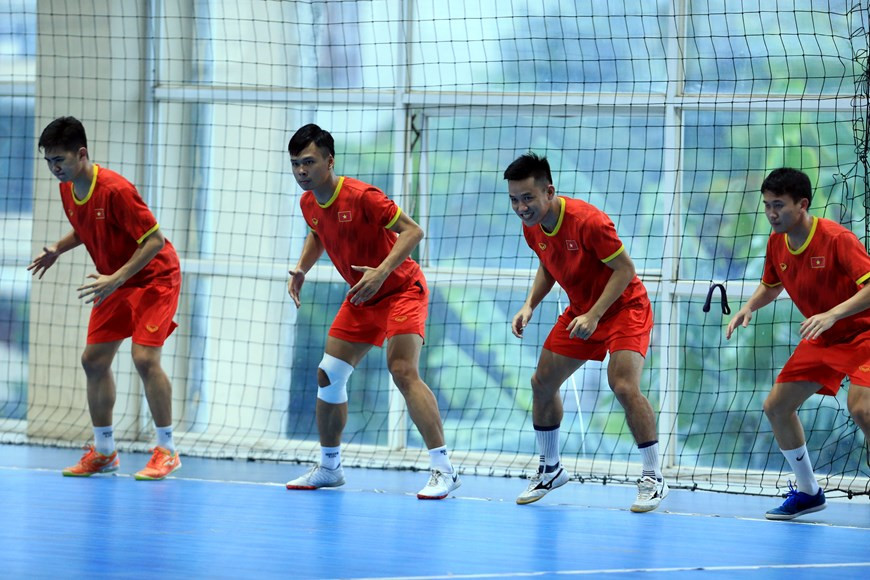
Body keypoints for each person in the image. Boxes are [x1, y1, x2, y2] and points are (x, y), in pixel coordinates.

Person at [284, 124, 460, 499]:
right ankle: (330, 467)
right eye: (296, 164)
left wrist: (382, 271)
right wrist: (302, 268)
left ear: (329, 162)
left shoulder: (363, 196)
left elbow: (413, 231)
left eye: (309, 162)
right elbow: (318, 233)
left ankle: (443, 469)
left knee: (402, 370)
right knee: (329, 374)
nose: (302, 171)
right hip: (363, 296)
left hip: (400, 290)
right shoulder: (309, 203)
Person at [504, 153, 667, 512]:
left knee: (623, 385)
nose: (521, 207)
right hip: (582, 313)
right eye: (514, 199)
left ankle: (653, 477)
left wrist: (595, 314)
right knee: (542, 383)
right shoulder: (531, 227)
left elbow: (625, 269)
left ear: (549, 191)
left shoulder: (588, 220)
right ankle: (551, 468)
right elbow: (549, 264)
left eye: (528, 198)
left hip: (624, 309)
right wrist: (529, 304)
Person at [28, 116, 183, 480]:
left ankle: (167, 450)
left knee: (144, 358)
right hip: (114, 280)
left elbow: (155, 241)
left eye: (59, 161)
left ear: (81, 154)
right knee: (93, 361)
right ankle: (104, 451)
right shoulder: (68, 188)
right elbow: (87, 227)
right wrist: (57, 249)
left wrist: (116, 278)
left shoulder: (115, 189)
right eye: (49, 162)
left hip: (153, 278)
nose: (54, 169)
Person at [726, 167, 870, 520]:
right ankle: (808, 492)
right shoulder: (778, 241)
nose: (772, 214)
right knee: (776, 407)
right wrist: (749, 306)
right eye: (767, 206)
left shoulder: (837, 239)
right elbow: (772, 284)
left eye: (779, 205)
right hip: (822, 338)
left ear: (802, 204)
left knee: (863, 409)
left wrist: (833, 314)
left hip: (864, 335)